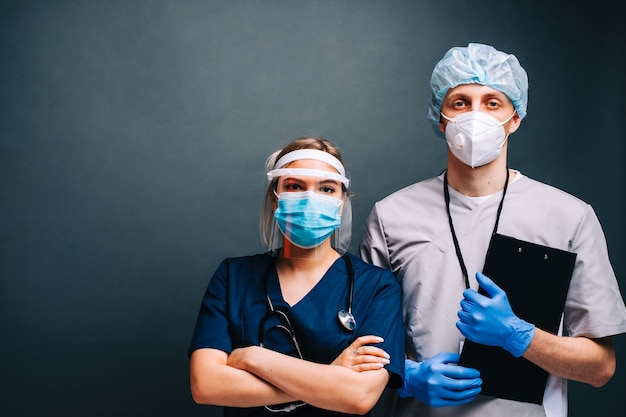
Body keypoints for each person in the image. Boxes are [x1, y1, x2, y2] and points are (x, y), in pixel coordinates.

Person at [359, 43, 626, 417]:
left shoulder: (569, 217)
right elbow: (363, 348)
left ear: (514, 118)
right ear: (440, 117)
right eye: (460, 102)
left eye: (492, 103)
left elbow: (601, 368)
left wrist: (519, 335)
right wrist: (407, 376)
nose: (475, 115)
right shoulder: (391, 217)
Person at [189, 137, 404, 416]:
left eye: (326, 188)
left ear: (341, 203)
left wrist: (254, 357)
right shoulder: (233, 277)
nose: (309, 199)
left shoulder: (376, 287)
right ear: (274, 197)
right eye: (294, 187)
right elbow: (206, 385)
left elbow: (359, 396)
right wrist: (331, 378)